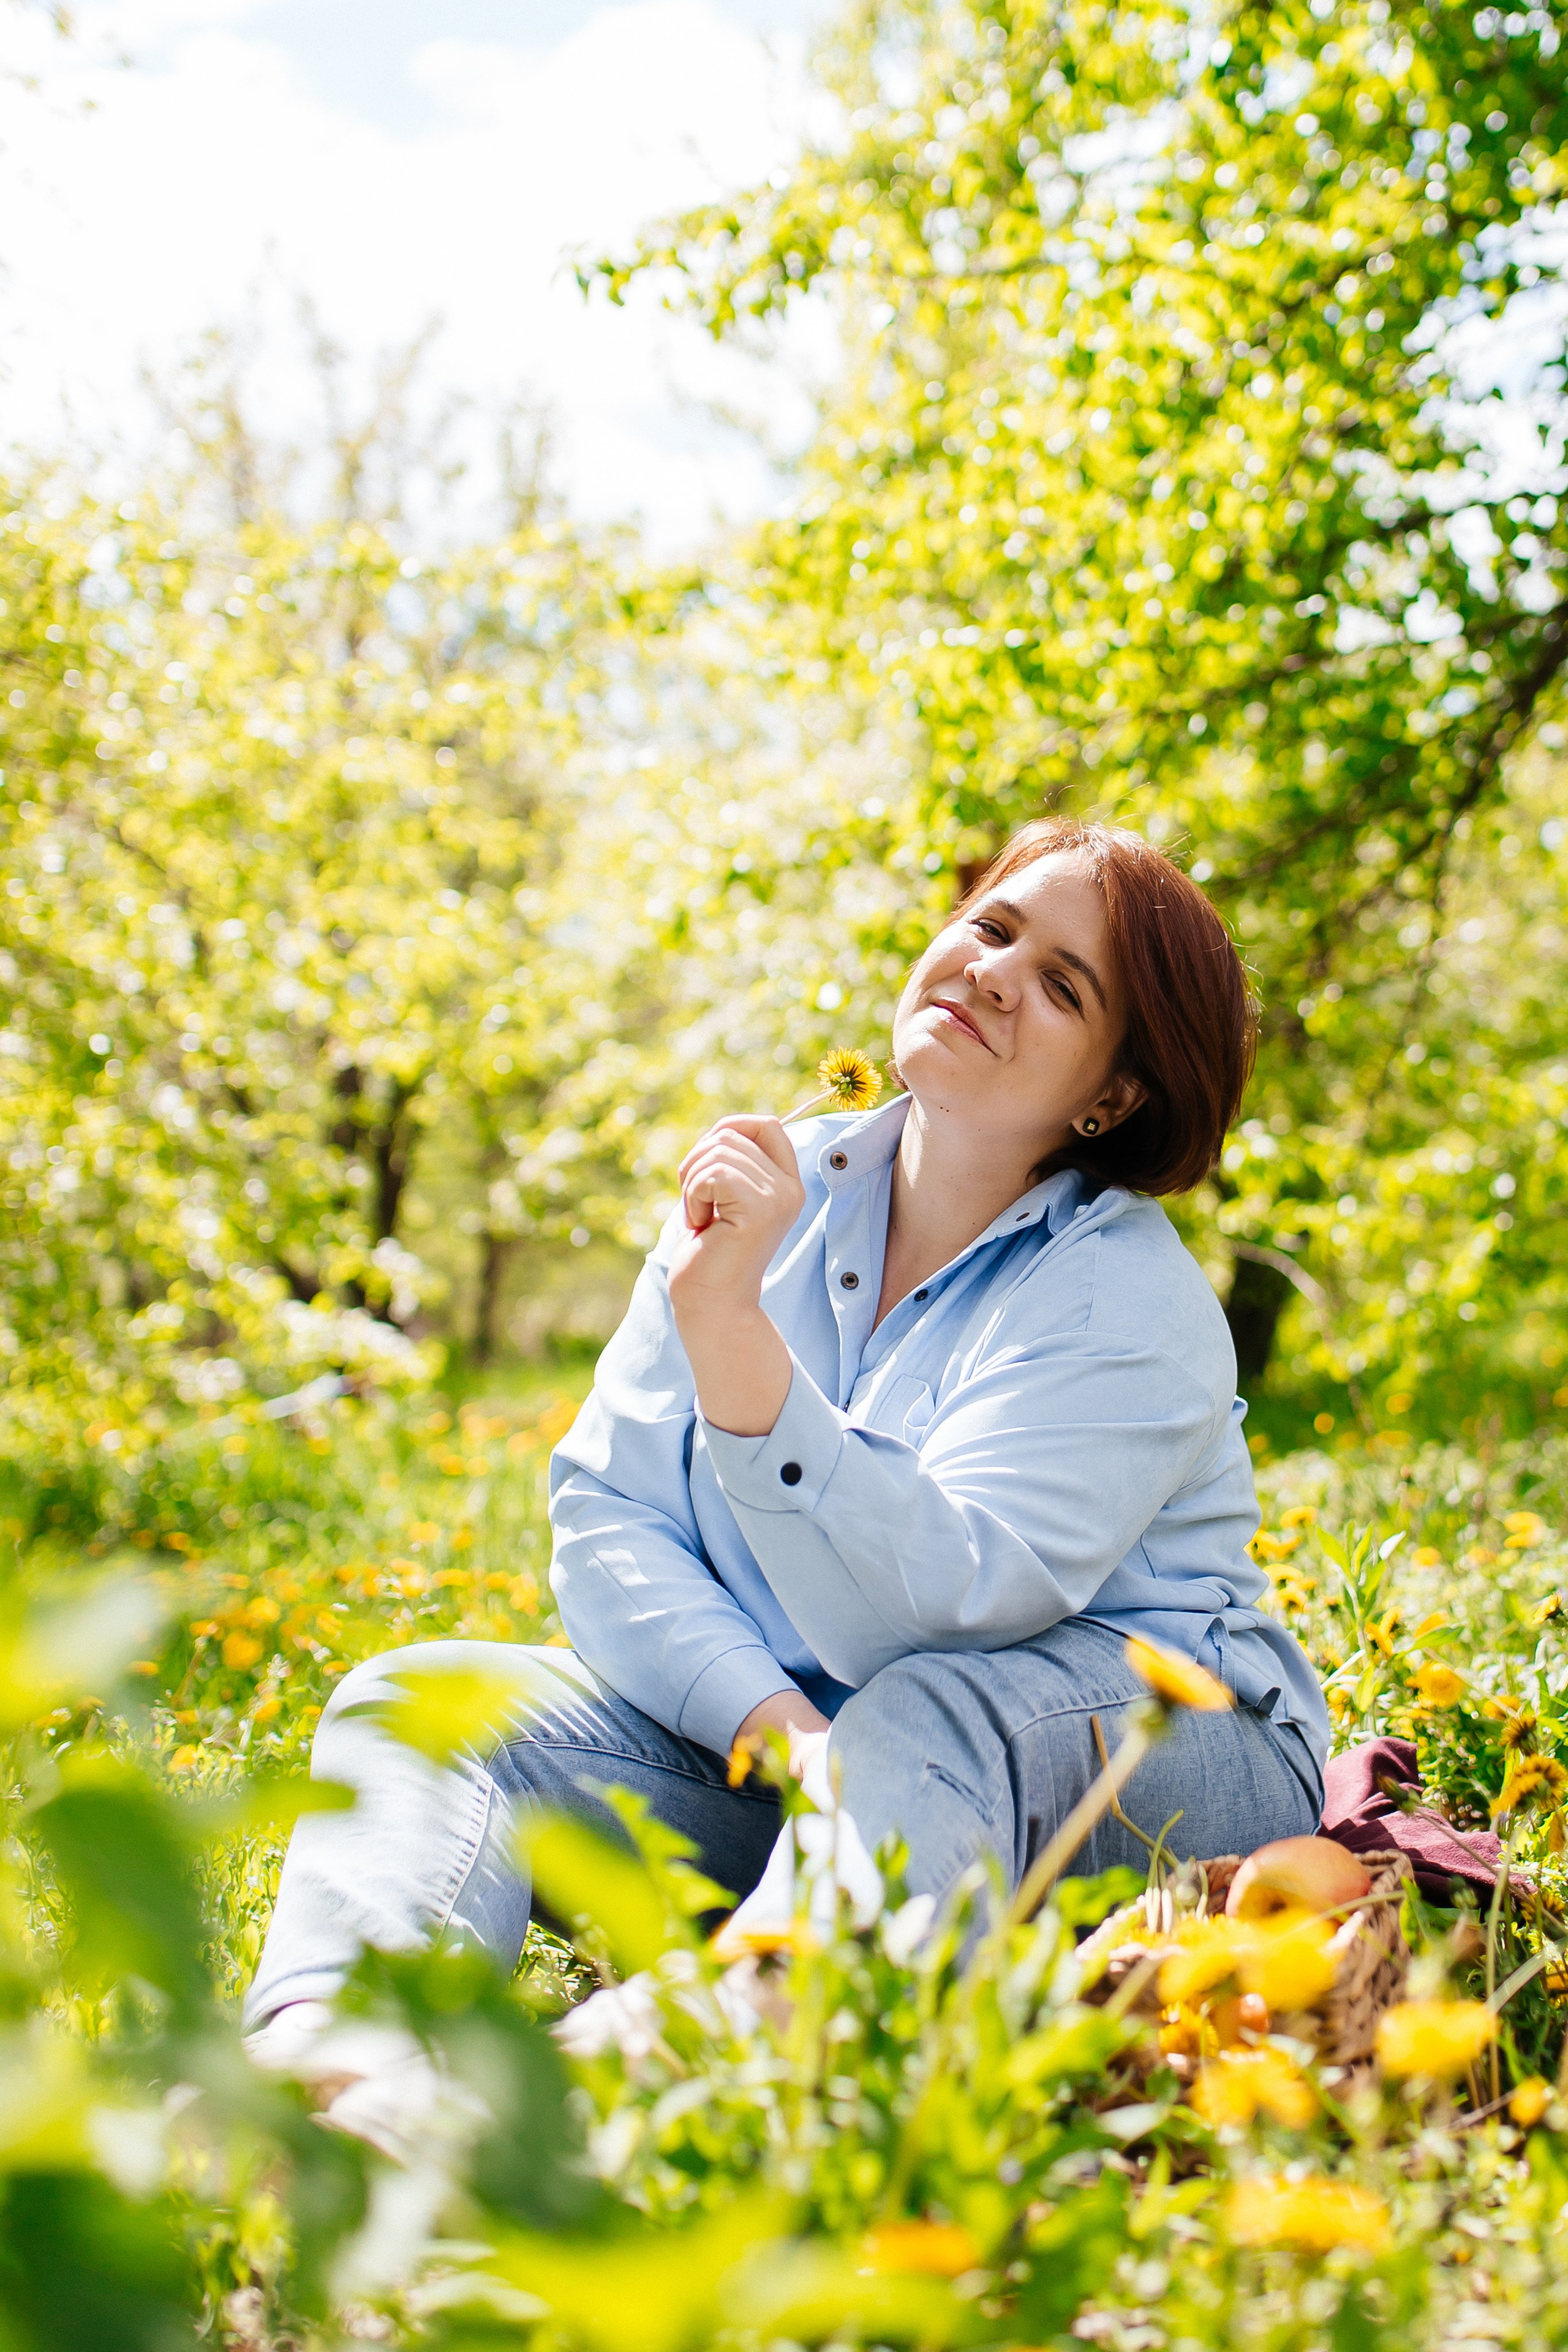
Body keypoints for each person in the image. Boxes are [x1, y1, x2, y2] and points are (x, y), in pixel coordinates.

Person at [244, 819, 1328, 2121]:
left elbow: (946, 1607)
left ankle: (656, 2083)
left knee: (930, 1706)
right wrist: (774, 1731)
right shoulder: (770, 1188)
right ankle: (332, 2076)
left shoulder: (1123, 1298)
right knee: (423, 1698)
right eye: (992, 928)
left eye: (1061, 985)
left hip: (1149, 1765)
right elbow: (607, 1519)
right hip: (834, 1785)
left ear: (1112, 1096)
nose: (993, 973)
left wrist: (733, 1341)